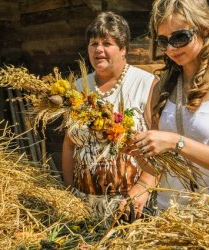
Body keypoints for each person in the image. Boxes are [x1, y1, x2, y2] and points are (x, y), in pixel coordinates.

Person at [127, 0, 209, 211]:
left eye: (180, 37)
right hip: (171, 213)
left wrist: (176, 142)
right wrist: (138, 152)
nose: (171, 48)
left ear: (204, 30)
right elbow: (159, 166)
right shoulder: (161, 87)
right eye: (163, 41)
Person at [62, 11, 159, 226]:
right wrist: (69, 190)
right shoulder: (79, 88)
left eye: (107, 43)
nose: (98, 49)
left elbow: (159, 145)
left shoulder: (145, 84)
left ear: (123, 49)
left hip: (130, 206)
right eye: (93, 43)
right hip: (82, 206)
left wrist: (144, 186)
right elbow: (70, 143)